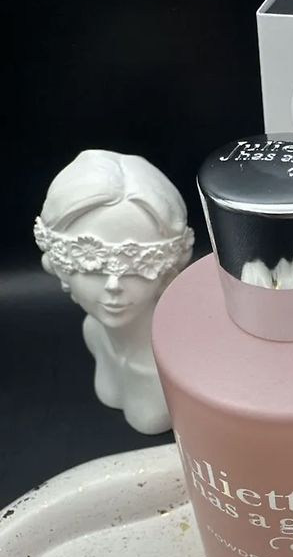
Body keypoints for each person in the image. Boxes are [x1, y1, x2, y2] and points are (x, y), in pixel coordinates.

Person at [34, 149, 194, 434]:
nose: (113, 285)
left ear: (167, 267)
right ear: (61, 265)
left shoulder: (177, 364)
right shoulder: (93, 331)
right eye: (93, 268)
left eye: (136, 268)